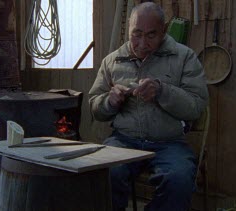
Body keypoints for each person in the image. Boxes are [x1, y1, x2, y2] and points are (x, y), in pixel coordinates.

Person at [89, 2, 209, 211]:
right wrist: (109, 101)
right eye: (136, 34)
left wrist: (162, 91)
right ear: (128, 30)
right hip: (123, 140)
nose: (142, 43)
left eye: (151, 35)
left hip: (169, 143)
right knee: (105, 173)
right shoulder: (112, 61)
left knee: (179, 180)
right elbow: (95, 108)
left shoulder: (184, 57)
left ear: (163, 31)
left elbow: (196, 106)